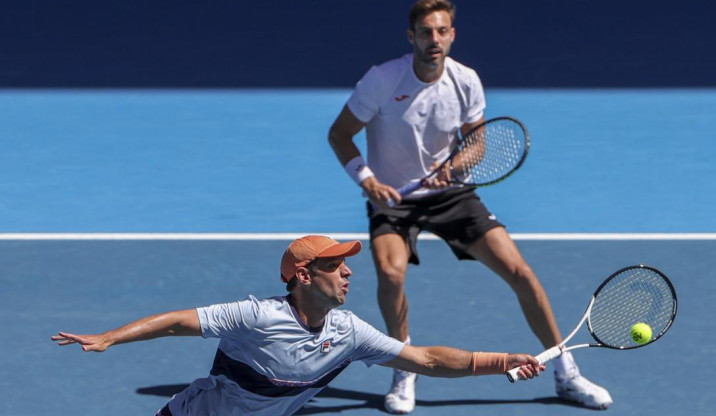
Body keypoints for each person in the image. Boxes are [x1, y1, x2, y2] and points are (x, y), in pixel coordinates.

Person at [328, 0, 612, 412]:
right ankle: (405, 369)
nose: (434, 40)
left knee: (520, 271)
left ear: (452, 35)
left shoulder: (466, 81)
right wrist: (367, 180)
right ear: (411, 37)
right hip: (393, 198)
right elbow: (340, 134)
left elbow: (476, 141)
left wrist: (454, 166)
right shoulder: (381, 80)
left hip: (451, 195)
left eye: (442, 31)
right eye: (426, 32)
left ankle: (565, 371)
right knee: (390, 274)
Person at [52, 235, 545, 416]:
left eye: (346, 264)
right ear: (304, 276)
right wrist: (110, 338)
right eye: (336, 266)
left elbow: (427, 359)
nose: (349, 271)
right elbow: (181, 321)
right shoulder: (258, 315)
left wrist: (502, 362)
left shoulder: (350, 332)